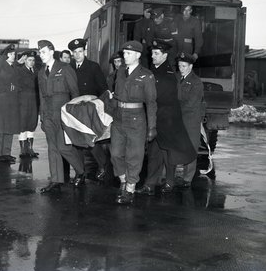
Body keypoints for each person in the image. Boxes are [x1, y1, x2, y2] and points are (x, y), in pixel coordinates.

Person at [136, 40, 195, 195]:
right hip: (155, 118)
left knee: (169, 152)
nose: (153, 56)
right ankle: (150, 184)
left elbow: (158, 97)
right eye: (152, 53)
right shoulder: (151, 71)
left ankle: (169, 182)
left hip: (167, 119)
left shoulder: (168, 74)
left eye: (156, 53)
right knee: (154, 152)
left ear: (165, 55)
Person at [109, 40, 157, 204]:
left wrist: (152, 126)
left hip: (136, 118)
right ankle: (123, 179)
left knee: (134, 155)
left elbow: (151, 102)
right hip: (119, 117)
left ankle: (130, 188)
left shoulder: (146, 75)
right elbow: (115, 96)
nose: (125, 56)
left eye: (128, 53)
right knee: (115, 153)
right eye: (124, 53)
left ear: (137, 55)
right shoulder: (120, 71)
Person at [37, 40, 84, 193]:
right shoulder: (40, 72)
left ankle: (81, 171)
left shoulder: (64, 68)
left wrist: (73, 114)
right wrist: (42, 116)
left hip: (63, 111)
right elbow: (41, 96)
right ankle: (56, 179)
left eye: (43, 51)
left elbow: (75, 93)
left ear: (51, 51)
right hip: (48, 113)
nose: (40, 55)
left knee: (63, 147)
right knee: (52, 147)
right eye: (39, 52)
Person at [68, 38, 109, 181]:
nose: (78, 54)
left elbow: (103, 89)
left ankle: (103, 165)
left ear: (84, 51)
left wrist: (97, 104)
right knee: (76, 141)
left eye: (80, 51)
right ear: (72, 54)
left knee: (91, 140)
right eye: (75, 52)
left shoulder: (93, 67)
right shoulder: (69, 68)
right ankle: (80, 172)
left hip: (89, 108)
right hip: (74, 109)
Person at [176, 52, 205, 188]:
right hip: (177, 118)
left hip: (190, 120)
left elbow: (191, 103)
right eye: (179, 65)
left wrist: (173, 107)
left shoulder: (196, 82)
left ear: (190, 66)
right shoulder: (177, 78)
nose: (181, 68)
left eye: (184, 66)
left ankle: (187, 179)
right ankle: (168, 175)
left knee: (191, 148)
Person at [0, 44, 21, 164]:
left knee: (9, 127)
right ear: (6, 55)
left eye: (14, 54)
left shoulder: (13, 66)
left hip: (12, 100)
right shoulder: (0, 65)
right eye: (12, 54)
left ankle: (6, 153)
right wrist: (2, 57)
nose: (14, 56)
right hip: (2, 99)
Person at [17, 50, 40, 159]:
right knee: (22, 125)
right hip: (23, 101)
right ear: (25, 60)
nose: (32, 62)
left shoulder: (36, 71)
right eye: (29, 60)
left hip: (34, 101)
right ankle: (23, 150)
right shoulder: (19, 71)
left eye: (33, 60)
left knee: (32, 124)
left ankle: (30, 149)